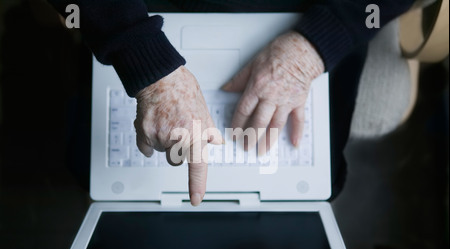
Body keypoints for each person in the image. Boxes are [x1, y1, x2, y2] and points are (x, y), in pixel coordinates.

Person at [48, 0, 416, 206]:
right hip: (135, 16)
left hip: (314, 16)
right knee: (93, 173)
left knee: (312, 194)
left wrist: (316, 45)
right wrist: (144, 59)